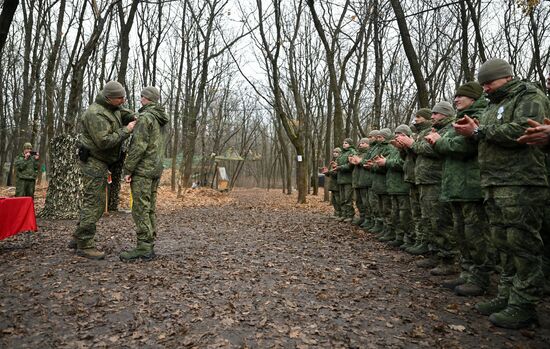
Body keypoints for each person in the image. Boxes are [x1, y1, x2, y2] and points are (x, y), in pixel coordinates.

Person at [454, 58, 550, 329]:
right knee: (502, 242)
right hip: (494, 182)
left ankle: (524, 302)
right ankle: (506, 294)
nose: (485, 88)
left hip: (522, 182)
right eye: (482, 83)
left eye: (489, 82)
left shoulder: (529, 96)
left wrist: (480, 131)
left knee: (523, 244)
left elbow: (524, 129)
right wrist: (475, 132)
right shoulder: (495, 103)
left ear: (507, 77)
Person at [426, 82, 491, 296]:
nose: (456, 100)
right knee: (462, 233)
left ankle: (480, 278)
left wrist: (438, 142)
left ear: (472, 98)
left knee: (476, 234)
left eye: (460, 96)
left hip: (471, 186)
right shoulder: (460, 120)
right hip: (457, 185)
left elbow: (462, 146)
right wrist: (440, 142)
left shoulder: (478, 116)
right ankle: (467, 272)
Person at [73, 81, 137, 260]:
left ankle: (78, 236)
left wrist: (134, 117)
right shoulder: (95, 114)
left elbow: (124, 113)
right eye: (120, 98)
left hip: (103, 161)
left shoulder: (112, 107)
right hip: (94, 160)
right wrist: (127, 130)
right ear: (110, 98)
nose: (123, 100)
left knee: (94, 201)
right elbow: (104, 141)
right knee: (95, 203)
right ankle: (85, 244)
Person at [121, 86, 169, 261]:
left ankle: (144, 247)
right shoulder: (160, 119)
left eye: (142, 96)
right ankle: (148, 243)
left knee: (140, 208)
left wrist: (129, 169)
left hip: (143, 170)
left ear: (147, 98)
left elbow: (138, 146)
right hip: (155, 168)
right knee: (149, 207)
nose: (140, 99)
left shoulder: (146, 118)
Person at [375, 125, 412, 247]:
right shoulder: (395, 150)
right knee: (395, 214)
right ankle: (398, 236)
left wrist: (386, 162)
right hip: (393, 187)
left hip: (403, 187)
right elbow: (389, 164)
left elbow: (403, 164)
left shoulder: (407, 149)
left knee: (405, 215)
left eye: (401, 134)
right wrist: (382, 163)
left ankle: (408, 239)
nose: (397, 137)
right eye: (396, 134)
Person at [333, 138, 356, 223]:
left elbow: (351, 165)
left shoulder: (352, 152)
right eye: (343, 143)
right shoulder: (342, 153)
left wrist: (340, 167)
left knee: (348, 198)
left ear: (350, 144)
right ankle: (344, 214)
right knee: (342, 198)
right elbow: (339, 164)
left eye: (346, 143)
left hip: (348, 179)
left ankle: (350, 215)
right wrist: (336, 165)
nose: (344, 144)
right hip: (340, 179)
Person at [349, 138, 370, 226]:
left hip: (364, 181)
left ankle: (368, 219)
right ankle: (362, 217)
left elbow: (368, 164)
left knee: (366, 202)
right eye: (360, 143)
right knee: (358, 201)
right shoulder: (357, 154)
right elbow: (352, 168)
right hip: (356, 181)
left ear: (368, 144)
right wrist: (351, 162)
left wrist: (360, 161)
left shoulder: (368, 153)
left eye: (363, 143)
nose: (361, 145)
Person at [322, 147, 342, 219]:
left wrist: (329, 172)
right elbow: (331, 173)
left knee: (338, 199)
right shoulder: (332, 161)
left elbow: (337, 173)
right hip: (332, 183)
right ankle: (336, 213)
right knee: (333, 200)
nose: (335, 153)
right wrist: (326, 172)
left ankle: (340, 213)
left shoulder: (339, 161)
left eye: (336, 152)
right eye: (334, 152)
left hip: (337, 183)